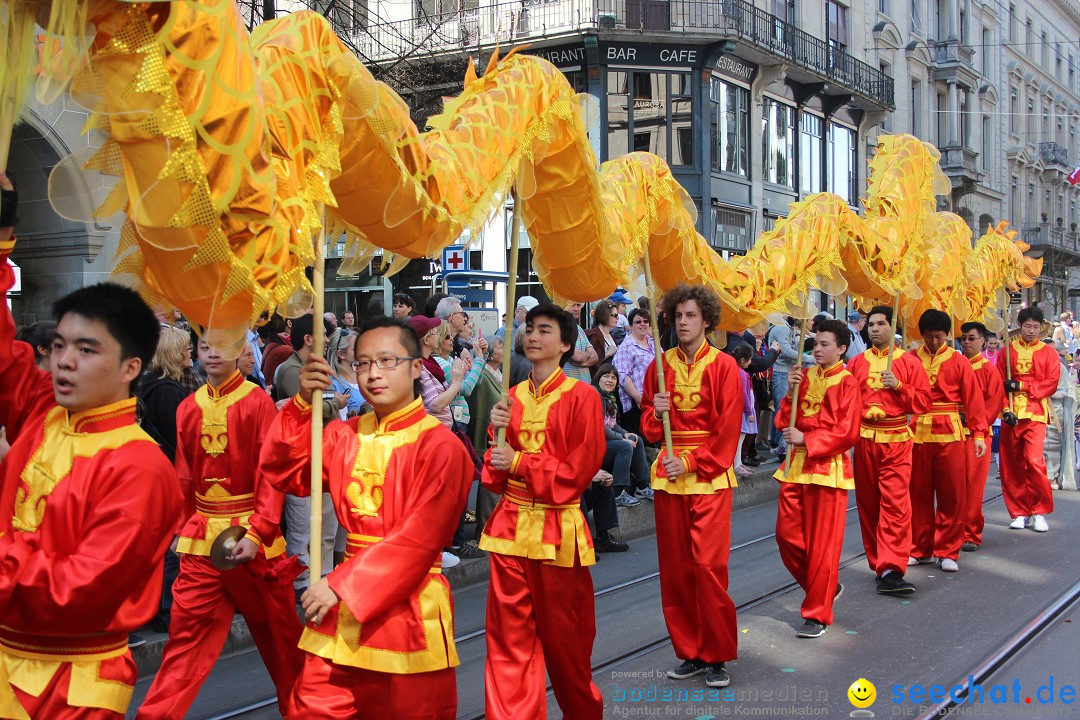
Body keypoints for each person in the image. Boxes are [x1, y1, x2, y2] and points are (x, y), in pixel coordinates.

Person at [0, 177, 183, 718]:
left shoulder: (141, 467)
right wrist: (3, 231)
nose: (63, 361)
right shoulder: (43, 413)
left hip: (71, 685)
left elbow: (77, 591)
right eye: (57, 346)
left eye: (85, 349)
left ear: (132, 368)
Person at [259, 316, 473, 719]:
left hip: (406, 611)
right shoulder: (345, 434)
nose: (373, 373)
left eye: (387, 361)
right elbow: (284, 469)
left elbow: (420, 540)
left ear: (415, 367)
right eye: (363, 363)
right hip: (340, 611)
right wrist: (303, 403)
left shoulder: (440, 446)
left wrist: (339, 585)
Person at [137, 340, 304, 719]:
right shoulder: (187, 406)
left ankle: (305, 710)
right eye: (205, 346)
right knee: (185, 642)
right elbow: (183, 476)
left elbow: (269, 473)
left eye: (222, 346)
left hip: (251, 538)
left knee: (281, 639)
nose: (212, 353)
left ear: (238, 352)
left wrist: (259, 531)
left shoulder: (257, 401)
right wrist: (179, 529)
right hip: (201, 541)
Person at [480, 304, 605, 720]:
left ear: (566, 344)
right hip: (510, 527)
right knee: (508, 642)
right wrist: (494, 433)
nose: (533, 336)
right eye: (529, 329)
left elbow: (576, 473)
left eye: (545, 330)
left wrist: (517, 461)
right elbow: (494, 474)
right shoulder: (508, 397)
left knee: (564, 641)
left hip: (557, 531)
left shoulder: (583, 396)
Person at [640, 283, 741, 688]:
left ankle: (716, 655)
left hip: (709, 478)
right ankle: (690, 651)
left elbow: (727, 430)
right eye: (678, 316)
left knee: (708, 568)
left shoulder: (724, 366)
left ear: (707, 321)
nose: (683, 323)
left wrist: (692, 462)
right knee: (677, 571)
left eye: (691, 316)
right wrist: (654, 412)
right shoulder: (658, 366)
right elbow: (648, 426)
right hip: (668, 477)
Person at [773, 319, 861, 638]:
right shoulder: (805, 376)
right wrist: (791, 391)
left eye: (825, 344)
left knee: (823, 545)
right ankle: (825, 586)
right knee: (786, 536)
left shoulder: (848, 382)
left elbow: (847, 432)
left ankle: (817, 613)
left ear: (841, 348)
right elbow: (784, 419)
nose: (818, 349)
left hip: (827, 469)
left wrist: (808, 439)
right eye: (816, 343)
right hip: (795, 467)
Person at [846, 305, 930, 595]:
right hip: (864, 440)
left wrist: (900, 387)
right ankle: (878, 563)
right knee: (869, 504)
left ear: (891, 328)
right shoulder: (855, 363)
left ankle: (892, 567)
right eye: (871, 325)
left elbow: (922, 403)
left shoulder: (908, 362)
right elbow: (846, 404)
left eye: (880, 324)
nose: (874, 329)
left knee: (895, 505)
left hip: (896, 439)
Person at [907, 309, 987, 572]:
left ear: (948, 335)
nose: (933, 342)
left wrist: (977, 434)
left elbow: (974, 400)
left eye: (939, 337)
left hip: (951, 432)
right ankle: (920, 548)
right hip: (917, 432)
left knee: (951, 493)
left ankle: (948, 550)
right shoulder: (909, 358)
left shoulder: (959, 361)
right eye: (929, 337)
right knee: (917, 493)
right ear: (922, 335)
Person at [273, 313, 343, 597]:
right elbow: (306, 409)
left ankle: (324, 574)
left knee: (328, 522)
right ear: (307, 339)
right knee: (302, 525)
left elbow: (320, 405)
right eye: (323, 335)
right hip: (301, 458)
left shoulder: (318, 367)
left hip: (325, 454)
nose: (327, 340)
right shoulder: (291, 370)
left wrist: (330, 404)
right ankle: (301, 580)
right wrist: (335, 403)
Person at [996, 306, 1060, 532]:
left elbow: (1051, 383)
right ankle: (1019, 511)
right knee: (1012, 465)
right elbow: (999, 385)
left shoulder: (1048, 352)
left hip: (1035, 412)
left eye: (1035, 327)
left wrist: (1023, 386)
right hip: (1011, 414)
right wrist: (1004, 410)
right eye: (1027, 326)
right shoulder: (1006, 351)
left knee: (1034, 461)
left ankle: (1039, 511)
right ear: (1019, 327)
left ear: (1041, 327)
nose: (1031, 331)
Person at [956, 322, 1006, 553]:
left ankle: (971, 533)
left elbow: (993, 403)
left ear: (983, 341)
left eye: (971, 338)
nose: (966, 342)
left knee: (973, 486)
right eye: (963, 338)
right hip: (952, 432)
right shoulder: (954, 364)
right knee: (952, 487)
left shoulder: (988, 370)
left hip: (977, 434)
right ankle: (951, 531)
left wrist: (975, 421)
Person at [466, 336, 505, 542]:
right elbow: (479, 406)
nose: (503, 349)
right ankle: (485, 527)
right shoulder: (483, 374)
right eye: (499, 346)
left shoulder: (499, 374)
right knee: (488, 481)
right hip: (485, 434)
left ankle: (496, 525)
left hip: (499, 433)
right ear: (489, 352)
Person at [593, 364, 647, 508]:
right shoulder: (594, 395)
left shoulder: (609, 398)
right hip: (593, 446)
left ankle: (643, 486)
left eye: (614, 377)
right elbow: (600, 427)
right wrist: (621, 438)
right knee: (624, 446)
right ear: (598, 378)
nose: (610, 380)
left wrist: (625, 433)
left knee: (637, 440)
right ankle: (618, 493)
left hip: (607, 441)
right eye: (606, 376)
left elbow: (611, 424)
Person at [611, 307, 656, 437]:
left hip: (655, 400)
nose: (643, 324)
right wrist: (638, 397)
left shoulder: (654, 343)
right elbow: (622, 376)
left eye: (646, 321)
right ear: (630, 325)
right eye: (638, 321)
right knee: (641, 440)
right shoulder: (626, 347)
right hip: (637, 403)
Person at [767, 317, 801, 459]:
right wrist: (806, 358)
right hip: (780, 371)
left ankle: (778, 443)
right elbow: (786, 351)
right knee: (782, 407)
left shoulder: (786, 327)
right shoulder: (782, 327)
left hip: (784, 370)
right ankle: (777, 444)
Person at [326, 328, 365, 419]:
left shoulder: (366, 374)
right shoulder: (334, 385)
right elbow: (339, 424)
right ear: (341, 355)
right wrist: (359, 415)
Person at [562, 301, 599, 382]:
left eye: (578, 305)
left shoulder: (579, 329)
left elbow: (595, 357)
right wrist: (587, 355)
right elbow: (577, 357)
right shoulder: (560, 329)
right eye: (572, 305)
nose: (576, 309)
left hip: (584, 386)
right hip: (568, 386)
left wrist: (583, 360)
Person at [586, 300, 619, 368]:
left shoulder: (611, 336)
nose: (617, 318)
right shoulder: (594, 336)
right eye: (615, 315)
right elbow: (592, 363)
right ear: (605, 315)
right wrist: (608, 353)